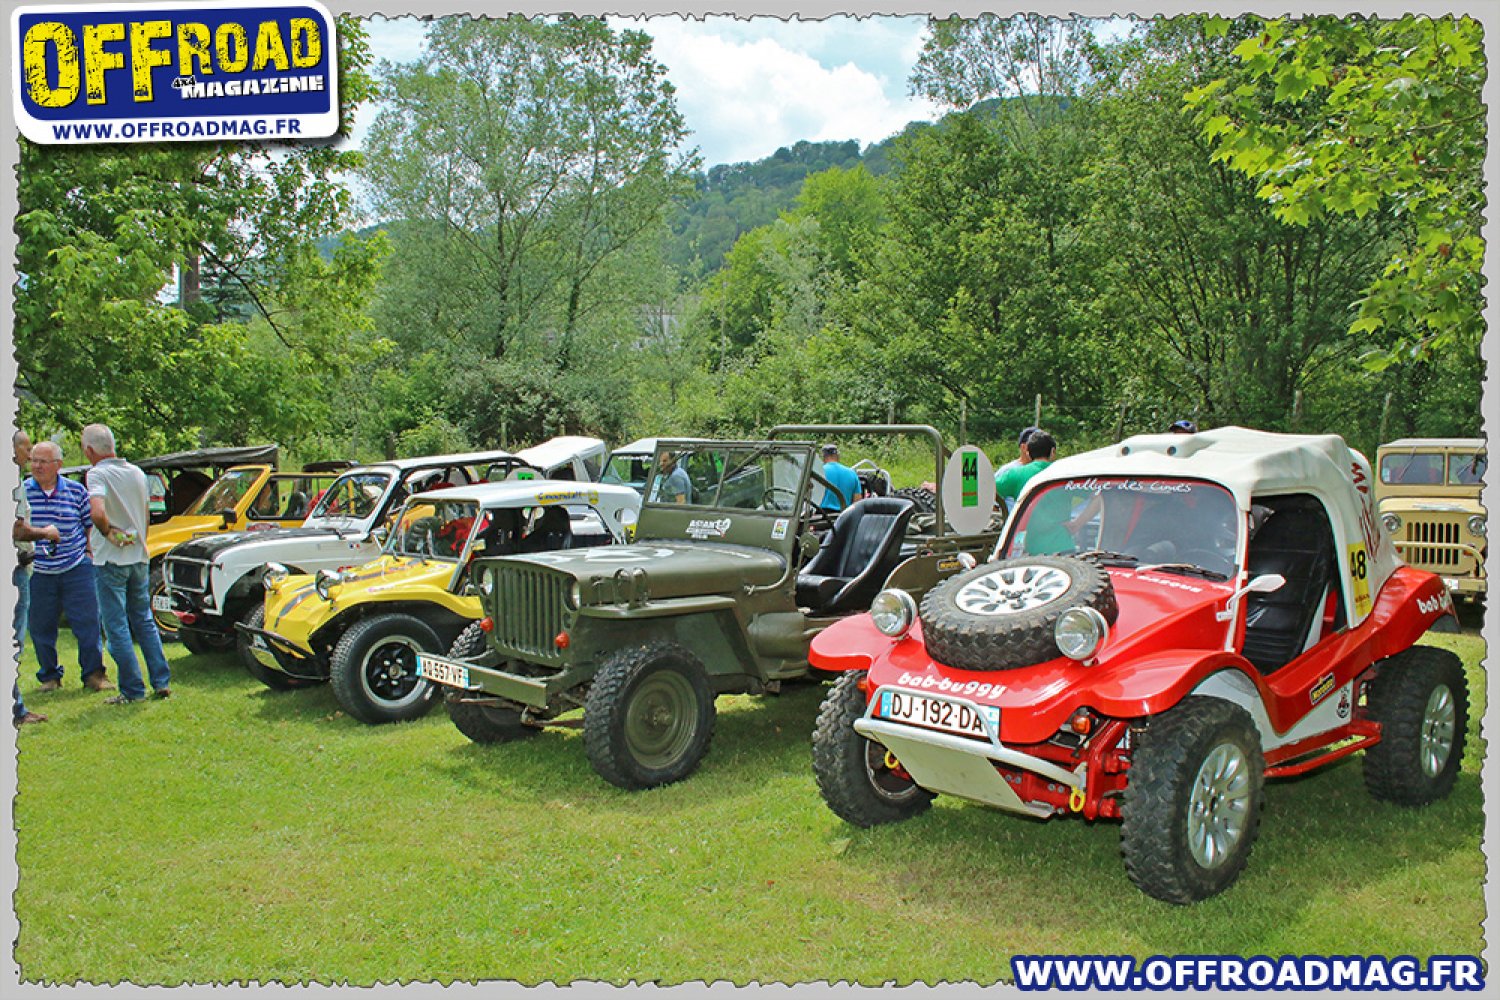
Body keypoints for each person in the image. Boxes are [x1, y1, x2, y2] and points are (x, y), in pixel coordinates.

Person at [83, 424, 171, 703]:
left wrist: (107, 531)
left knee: (116, 626)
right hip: (139, 555)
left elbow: (97, 512)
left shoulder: (97, 474)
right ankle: (161, 680)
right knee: (144, 621)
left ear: (89, 450)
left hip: (110, 558)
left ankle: (132, 690)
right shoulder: (136, 472)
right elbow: (145, 513)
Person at [24, 440, 112, 693]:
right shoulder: (21, 492)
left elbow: (89, 524)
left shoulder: (76, 491)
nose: (37, 466)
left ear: (58, 465)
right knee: (40, 626)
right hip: (38, 570)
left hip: (76, 567)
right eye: (34, 461)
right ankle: (50, 677)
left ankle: (94, 675)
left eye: (43, 461)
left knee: (88, 623)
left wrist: (88, 553)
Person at [12, 431, 49, 726]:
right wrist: (47, 533)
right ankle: (16, 710)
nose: (29, 455)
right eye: (26, 449)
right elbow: (17, 529)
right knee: (14, 643)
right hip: (15, 571)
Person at [994, 426, 1038, 514]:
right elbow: (992, 503)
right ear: (1023, 447)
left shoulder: (1044, 470)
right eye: (1035, 445)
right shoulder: (1008, 471)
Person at [817, 444, 862, 512]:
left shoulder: (818, 472)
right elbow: (857, 502)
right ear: (837, 456)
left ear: (823, 457)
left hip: (820, 516)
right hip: (844, 515)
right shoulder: (852, 473)